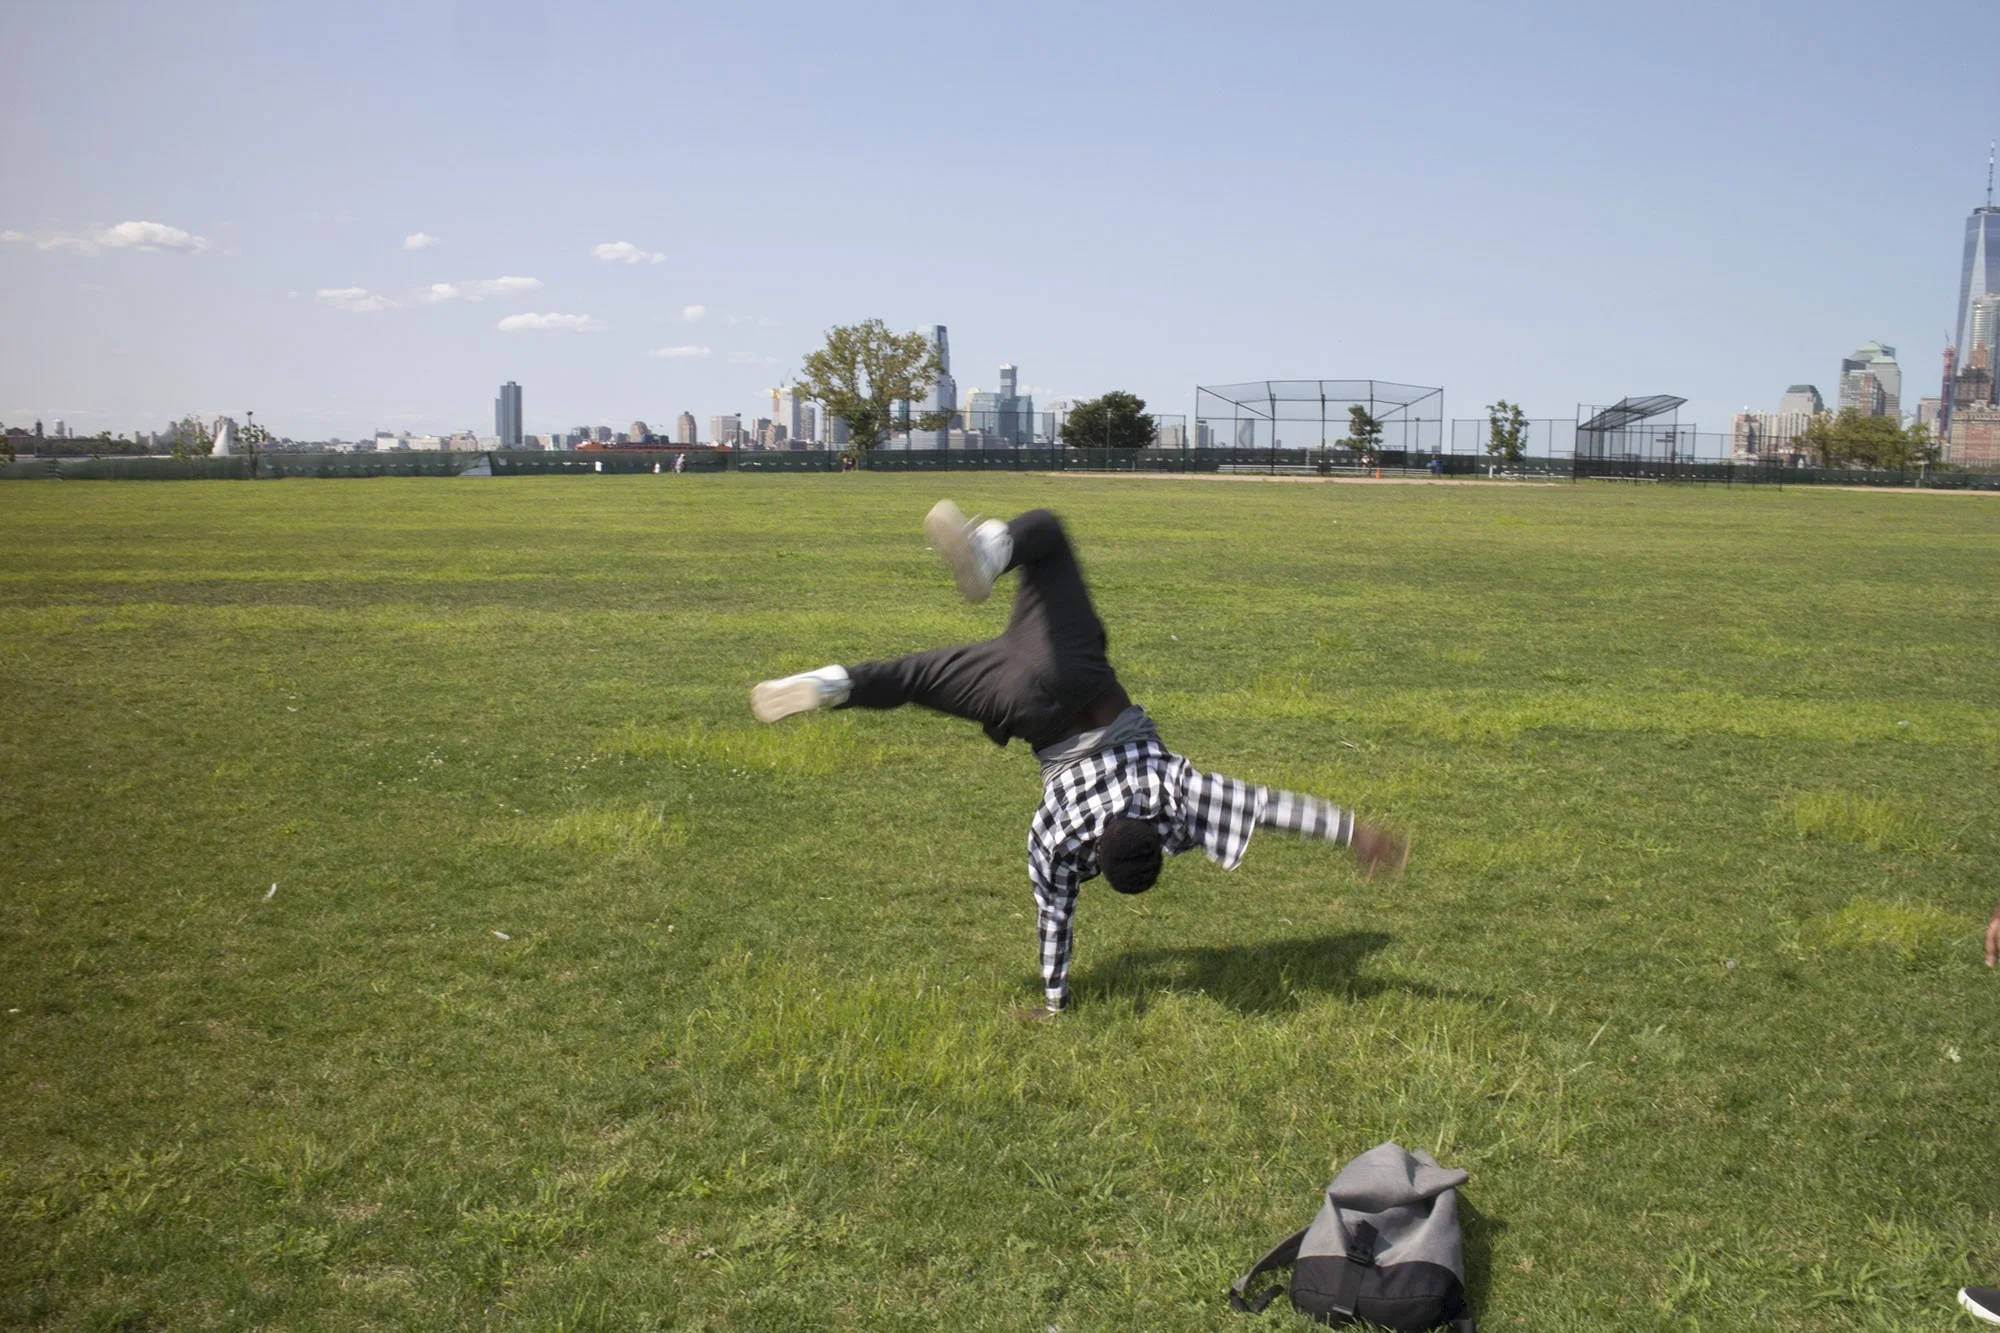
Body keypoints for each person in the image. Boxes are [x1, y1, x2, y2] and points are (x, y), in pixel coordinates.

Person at [751, 503, 1408, 1019]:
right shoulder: (1060, 838)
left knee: (1048, 533)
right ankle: (830, 684)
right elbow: (1054, 915)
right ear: (1100, 857)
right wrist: (1054, 1000)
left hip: (1075, 669)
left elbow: (1271, 807)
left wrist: (1356, 831)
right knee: (914, 678)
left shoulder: (1176, 792)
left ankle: (989, 553)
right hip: (1020, 705)